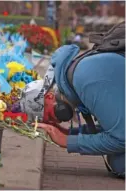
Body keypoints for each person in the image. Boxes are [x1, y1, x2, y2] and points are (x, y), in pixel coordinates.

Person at [20, 21, 125, 178]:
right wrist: (72, 133)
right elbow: (116, 127)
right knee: (118, 161)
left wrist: (68, 142)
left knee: (121, 163)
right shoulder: (76, 77)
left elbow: (120, 138)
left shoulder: (86, 80)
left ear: (48, 96)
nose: (55, 121)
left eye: (49, 115)